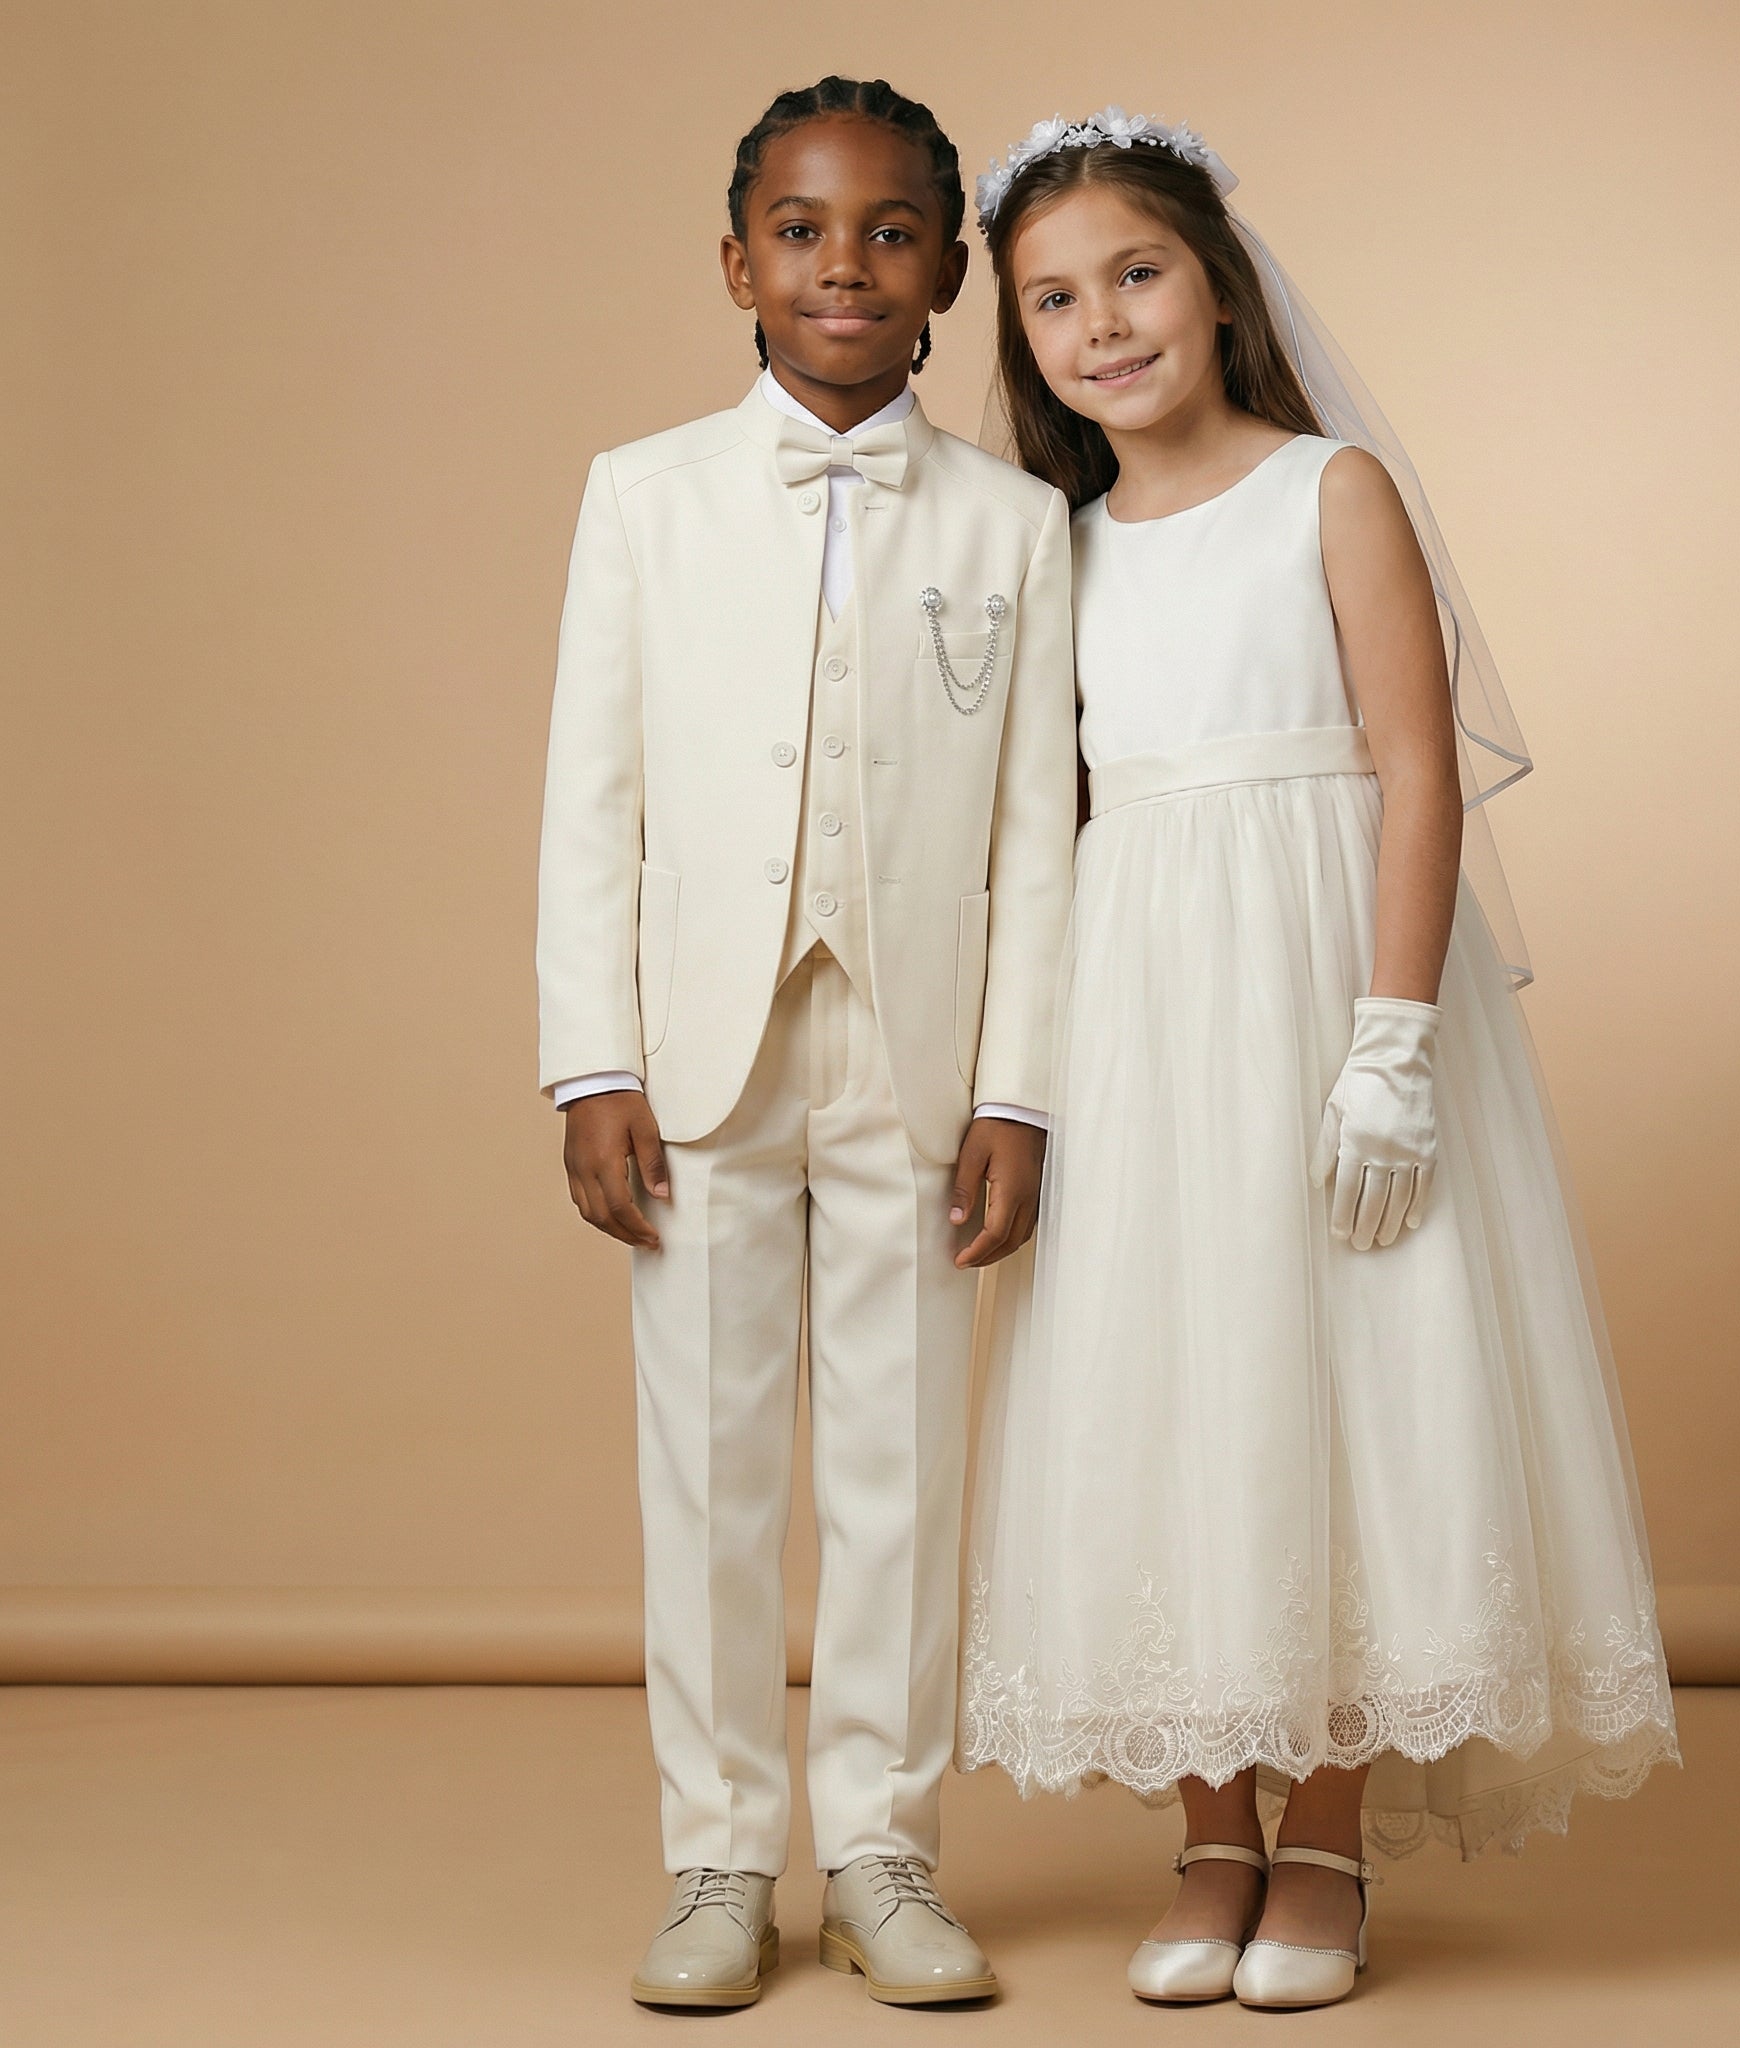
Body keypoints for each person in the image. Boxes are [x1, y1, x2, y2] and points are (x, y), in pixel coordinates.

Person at [961, 110, 1679, 2012]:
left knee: (1355, 1370)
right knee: (1183, 1377)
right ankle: (1214, 1831)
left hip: (1322, 978)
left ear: (1215, 282)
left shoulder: (1327, 489)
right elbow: (1051, 816)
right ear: (1022, 338)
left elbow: (1415, 768)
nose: (1102, 324)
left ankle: (1333, 1840)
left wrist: (1389, 1045)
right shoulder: (1061, 547)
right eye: (1053, 300)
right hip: (1139, 1005)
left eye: (1135, 274)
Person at [536, 76, 1075, 2010]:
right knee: (709, 1465)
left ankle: (884, 1846)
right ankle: (714, 1856)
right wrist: (587, 1060)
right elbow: (590, 804)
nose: (842, 262)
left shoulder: (1018, 524)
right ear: (738, 261)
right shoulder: (645, 495)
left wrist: (1018, 1085)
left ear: (947, 274)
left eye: (890, 232)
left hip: (918, 1059)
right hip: (700, 1056)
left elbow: (1035, 826)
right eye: (800, 227)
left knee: (902, 1465)